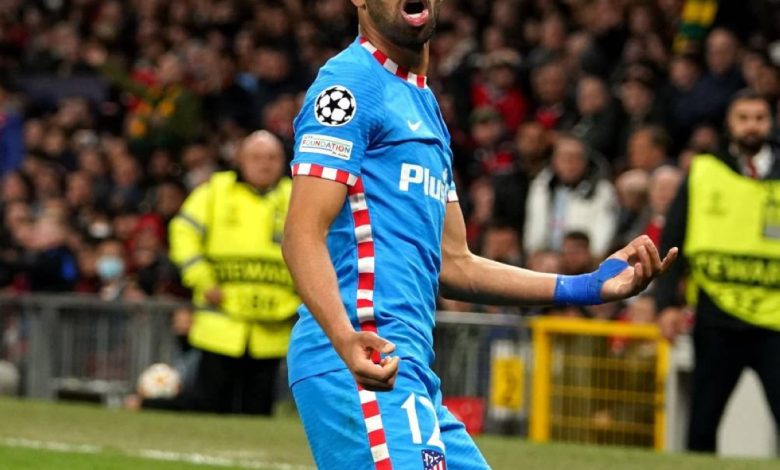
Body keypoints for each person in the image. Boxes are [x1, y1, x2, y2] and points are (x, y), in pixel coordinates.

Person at [282, 2, 677, 469]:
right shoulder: (349, 84)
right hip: (361, 356)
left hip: (408, 367)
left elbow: (456, 263)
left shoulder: (424, 104)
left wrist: (587, 286)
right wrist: (344, 337)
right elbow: (301, 234)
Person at [655, 90, 780, 453]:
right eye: (743, 118)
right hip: (716, 316)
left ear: (770, 122)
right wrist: (666, 304)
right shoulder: (703, 171)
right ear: (729, 123)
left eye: (759, 117)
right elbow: (673, 240)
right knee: (703, 423)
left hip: (776, 321)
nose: (752, 126)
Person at [168, 131, 298, 415]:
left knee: (258, 414)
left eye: (272, 158)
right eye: (256, 157)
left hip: (272, 328)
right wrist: (202, 279)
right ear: (241, 159)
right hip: (220, 327)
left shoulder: (297, 196)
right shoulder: (215, 191)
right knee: (209, 410)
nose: (264, 164)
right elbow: (182, 232)